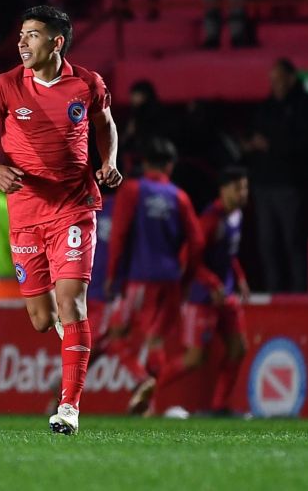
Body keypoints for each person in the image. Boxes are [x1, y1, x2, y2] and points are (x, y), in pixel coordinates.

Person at [0, 5, 122, 435]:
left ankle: (69, 408)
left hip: (74, 208)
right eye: (21, 34)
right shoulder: (4, 86)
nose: (22, 42)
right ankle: (71, 336)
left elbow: (105, 124)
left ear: (56, 43)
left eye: (33, 35)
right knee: (42, 319)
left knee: (73, 302)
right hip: (25, 215)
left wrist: (108, 160)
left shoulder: (87, 83)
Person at [104, 137, 204, 416]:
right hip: (171, 280)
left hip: (140, 279)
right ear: (170, 166)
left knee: (115, 334)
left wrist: (113, 274)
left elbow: (119, 236)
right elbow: (196, 242)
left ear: (145, 163)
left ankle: (141, 380)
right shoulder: (179, 197)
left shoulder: (133, 190)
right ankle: (151, 405)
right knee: (156, 341)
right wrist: (186, 279)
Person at [156, 167, 250, 415]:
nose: (242, 193)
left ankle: (219, 407)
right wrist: (211, 282)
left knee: (238, 348)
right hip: (203, 297)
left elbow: (227, 254)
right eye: (237, 188)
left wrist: (239, 278)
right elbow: (189, 257)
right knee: (195, 359)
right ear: (223, 189)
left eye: (245, 187)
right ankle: (148, 390)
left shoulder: (236, 215)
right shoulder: (210, 219)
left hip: (226, 295)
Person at [243, 58, 308, 293]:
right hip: (264, 185)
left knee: (293, 243)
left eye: (278, 79)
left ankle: (299, 294)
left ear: (291, 78)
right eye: (271, 80)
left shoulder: (306, 106)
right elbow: (254, 136)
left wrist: (272, 145)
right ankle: (273, 293)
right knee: (268, 245)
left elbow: (307, 144)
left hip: (289, 186)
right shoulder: (265, 107)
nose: (274, 84)